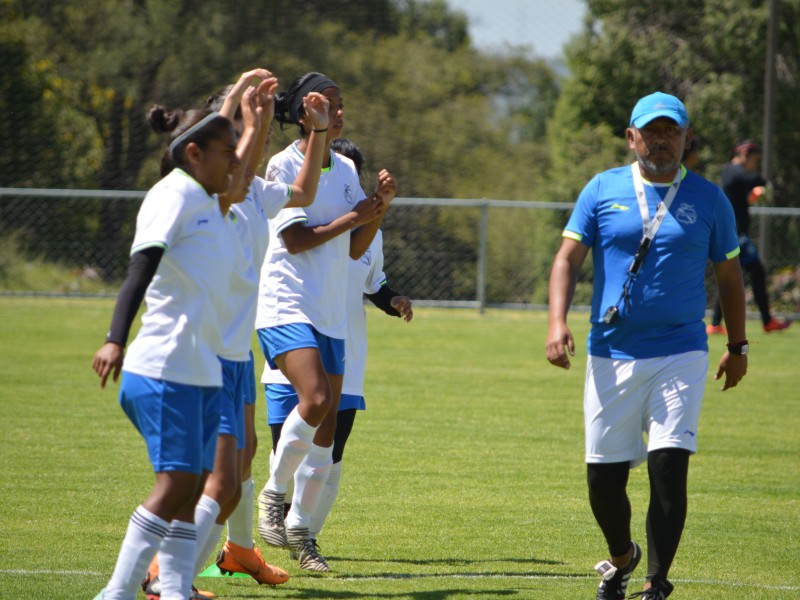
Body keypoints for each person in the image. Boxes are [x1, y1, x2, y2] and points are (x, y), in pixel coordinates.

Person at [546, 91, 748, 600]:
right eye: (651, 131)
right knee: (603, 479)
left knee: (668, 462)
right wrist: (556, 323)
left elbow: (729, 276)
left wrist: (738, 345)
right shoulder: (601, 188)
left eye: (671, 131)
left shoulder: (709, 199)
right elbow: (567, 259)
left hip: (681, 350)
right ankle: (622, 556)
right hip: (610, 351)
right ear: (631, 137)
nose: (661, 140)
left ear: (685, 138)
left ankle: (657, 582)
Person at [91, 106, 241, 600]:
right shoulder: (173, 193)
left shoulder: (211, 202)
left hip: (201, 372)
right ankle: (116, 593)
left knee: (195, 486)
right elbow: (141, 267)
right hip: (163, 367)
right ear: (193, 154)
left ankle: (175, 591)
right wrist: (115, 337)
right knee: (177, 484)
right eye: (226, 152)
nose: (234, 162)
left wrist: (255, 115)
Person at [254, 72, 396, 572]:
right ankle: (273, 493)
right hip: (288, 303)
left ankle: (301, 532)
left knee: (326, 434)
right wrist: (356, 217)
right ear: (304, 112)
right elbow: (294, 239)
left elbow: (355, 247)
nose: (339, 110)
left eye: (341, 102)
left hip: (332, 311)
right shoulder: (283, 163)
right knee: (314, 400)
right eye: (329, 103)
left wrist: (377, 209)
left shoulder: (345, 168)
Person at [707, 140, 791, 334]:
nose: (754, 164)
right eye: (754, 159)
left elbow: (736, 199)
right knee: (756, 272)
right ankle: (767, 321)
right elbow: (758, 180)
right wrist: (763, 186)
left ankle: (715, 323)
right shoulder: (735, 170)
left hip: (735, 233)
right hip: (735, 234)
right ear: (745, 156)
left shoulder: (732, 174)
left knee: (729, 273)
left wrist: (750, 197)